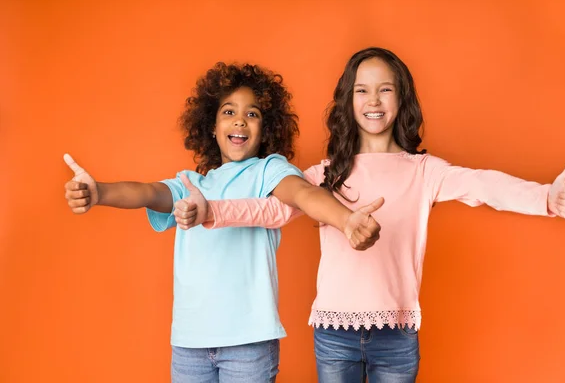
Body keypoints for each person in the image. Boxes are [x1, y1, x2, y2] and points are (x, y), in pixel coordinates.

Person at [174, 48, 565, 383]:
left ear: (401, 99)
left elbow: (484, 186)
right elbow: (270, 209)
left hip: (397, 335)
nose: (373, 101)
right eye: (362, 91)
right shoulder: (325, 173)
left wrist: (547, 197)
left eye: (384, 90)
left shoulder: (424, 172)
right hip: (334, 335)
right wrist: (212, 211)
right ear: (348, 102)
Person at [63, 62, 383, 383]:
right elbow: (146, 192)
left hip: (249, 343)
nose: (240, 120)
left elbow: (302, 193)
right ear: (212, 128)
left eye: (253, 114)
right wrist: (99, 192)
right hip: (190, 343)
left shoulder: (268, 170)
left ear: (266, 130)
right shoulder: (190, 185)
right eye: (229, 112)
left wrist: (345, 219)